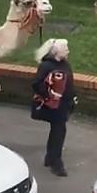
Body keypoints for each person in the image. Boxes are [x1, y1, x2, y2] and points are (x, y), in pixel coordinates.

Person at [31, 38, 76, 177]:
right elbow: (36, 84)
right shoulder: (46, 66)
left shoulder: (64, 64)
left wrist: (73, 96)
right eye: (65, 48)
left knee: (57, 131)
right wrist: (49, 95)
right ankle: (56, 162)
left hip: (63, 105)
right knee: (59, 131)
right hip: (53, 106)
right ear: (57, 51)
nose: (68, 50)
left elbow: (69, 82)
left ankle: (50, 158)